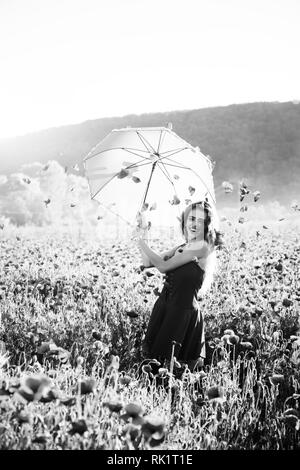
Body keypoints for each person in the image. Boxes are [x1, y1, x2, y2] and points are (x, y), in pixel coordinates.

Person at [136, 200, 223, 370]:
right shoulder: (183, 247)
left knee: (176, 369)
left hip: (182, 314)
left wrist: (140, 243)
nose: (195, 224)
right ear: (184, 220)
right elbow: (148, 263)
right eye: (191, 219)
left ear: (207, 225)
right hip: (166, 307)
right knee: (156, 365)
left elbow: (163, 266)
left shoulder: (203, 247)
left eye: (200, 221)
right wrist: (143, 230)